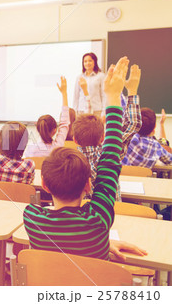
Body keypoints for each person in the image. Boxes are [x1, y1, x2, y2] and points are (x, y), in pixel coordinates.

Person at [23, 56, 127, 260]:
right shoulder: (99, 221)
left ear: (44, 184)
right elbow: (109, 161)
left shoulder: (32, 218)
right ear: (89, 185)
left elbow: (109, 161)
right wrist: (113, 98)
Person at [73, 64, 142, 201]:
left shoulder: (68, 162)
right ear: (103, 137)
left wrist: (86, 93)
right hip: (111, 217)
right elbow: (133, 124)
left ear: (74, 139)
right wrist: (132, 90)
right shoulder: (110, 153)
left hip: (81, 218)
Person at [24, 76, 70, 158]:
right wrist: (64, 93)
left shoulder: (30, 149)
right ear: (54, 131)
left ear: (38, 129)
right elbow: (64, 123)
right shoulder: (57, 148)